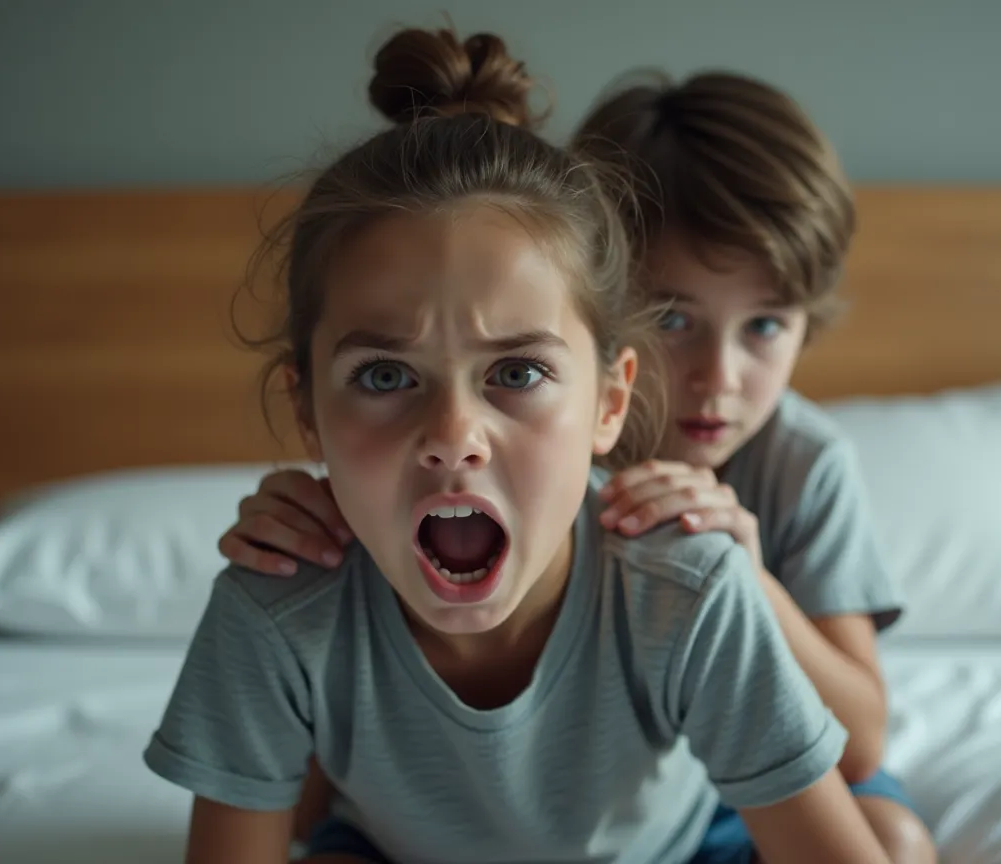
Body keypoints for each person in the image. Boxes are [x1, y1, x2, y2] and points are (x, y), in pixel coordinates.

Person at [145, 25, 892, 864]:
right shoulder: (271, 608)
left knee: (893, 832)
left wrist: (746, 573)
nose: (453, 437)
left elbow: (862, 742)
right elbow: (287, 809)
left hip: (686, 823)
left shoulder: (700, 575)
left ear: (612, 399)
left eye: (519, 373)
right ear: (307, 411)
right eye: (386, 376)